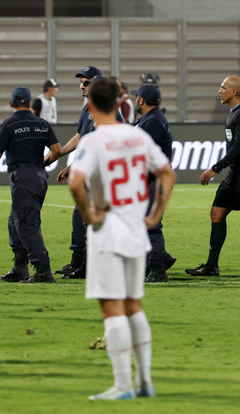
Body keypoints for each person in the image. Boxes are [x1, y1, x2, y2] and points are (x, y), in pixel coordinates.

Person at [68, 78, 176, 400]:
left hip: (108, 233)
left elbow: (76, 182)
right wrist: (155, 215)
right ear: (119, 104)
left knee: (112, 307)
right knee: (134, 306)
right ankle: (144, 381)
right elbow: (167, 173)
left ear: (89, 105)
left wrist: (90, 216)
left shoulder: (94, 140)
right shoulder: (136, 135)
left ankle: (123, 385)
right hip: (136, 230)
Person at [185, 76, 240, 278]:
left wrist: (215, 169)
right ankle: (211, 266)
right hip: (236, 172)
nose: (220, 90)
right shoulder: (234, 113)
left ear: (234, 92)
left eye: (223, 87)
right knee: (217, 213)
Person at [0, 86, 61, 283]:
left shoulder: (9, 125)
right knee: (15, 221)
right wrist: (42, 164)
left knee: (26, 224)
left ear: (11, 103)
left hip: (22, 177)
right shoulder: (43, 124)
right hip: (39, 176)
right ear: (30, 103)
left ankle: (42, 270)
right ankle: (20, 268)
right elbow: (56, 150)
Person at [49, 66, 122, 280]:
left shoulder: (108, 109)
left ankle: (89, 265)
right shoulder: (87, 108)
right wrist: (60, 153)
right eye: (81, 82)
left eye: (86, 82)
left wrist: (73, 166)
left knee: (91, 218)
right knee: (79, 215)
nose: (81, 86)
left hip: (101, 173)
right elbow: (81, 136)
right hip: (89, 171)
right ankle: (77, 262)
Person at [132, 84, 177, 282]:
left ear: (141, 100)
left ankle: (158, 269)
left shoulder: (152, 123)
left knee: (151, 225)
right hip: (151, 179)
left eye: (136, 97)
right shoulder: (152, 120)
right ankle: (158, 260)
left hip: (151, 180)